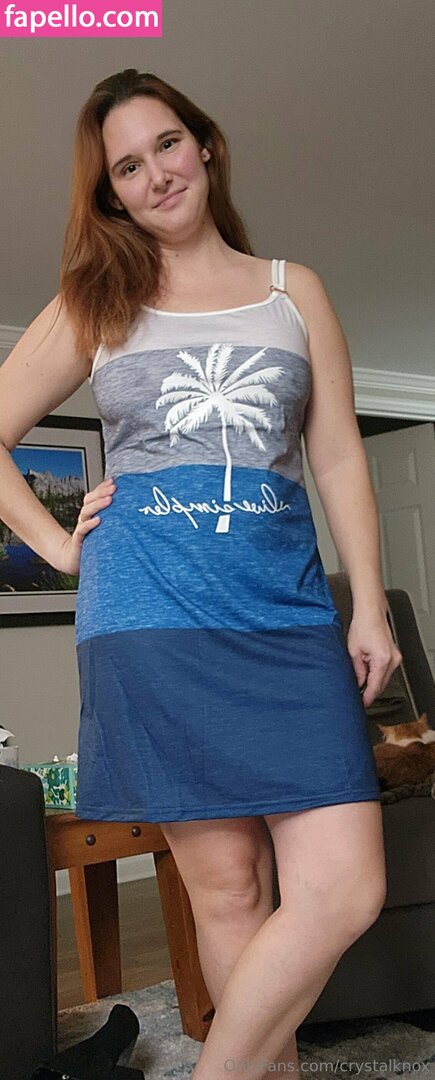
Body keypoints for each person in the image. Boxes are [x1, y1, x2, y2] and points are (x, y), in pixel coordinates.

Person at [0, 68, 402, 1080]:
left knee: (345, 889)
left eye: (167, 145)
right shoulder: (97, 300)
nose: (156, 175)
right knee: (228, 893)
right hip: (149, 622)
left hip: (287, 619)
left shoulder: (291, 290)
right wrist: (58, 547)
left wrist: (368, 604)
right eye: (127, 167)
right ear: (111, 194)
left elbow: (337, 456)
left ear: (206, 144)